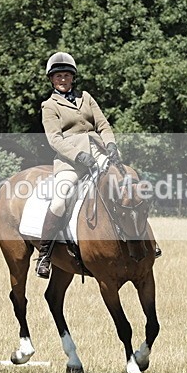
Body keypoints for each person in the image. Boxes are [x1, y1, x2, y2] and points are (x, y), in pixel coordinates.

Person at [35, 52, 123, 278]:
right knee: (59, 201)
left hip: (99, 152)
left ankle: (143, 244)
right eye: (58, 76)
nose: (62, 79)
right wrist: (78, 156)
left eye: (66, 75)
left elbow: (103, 124)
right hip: (70, 161)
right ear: (52, 79)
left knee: (125, 184)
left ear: (72, 77)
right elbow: (55, 140)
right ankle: (44, 255)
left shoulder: (86, 97)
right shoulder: (49, 105)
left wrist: (111, 145)